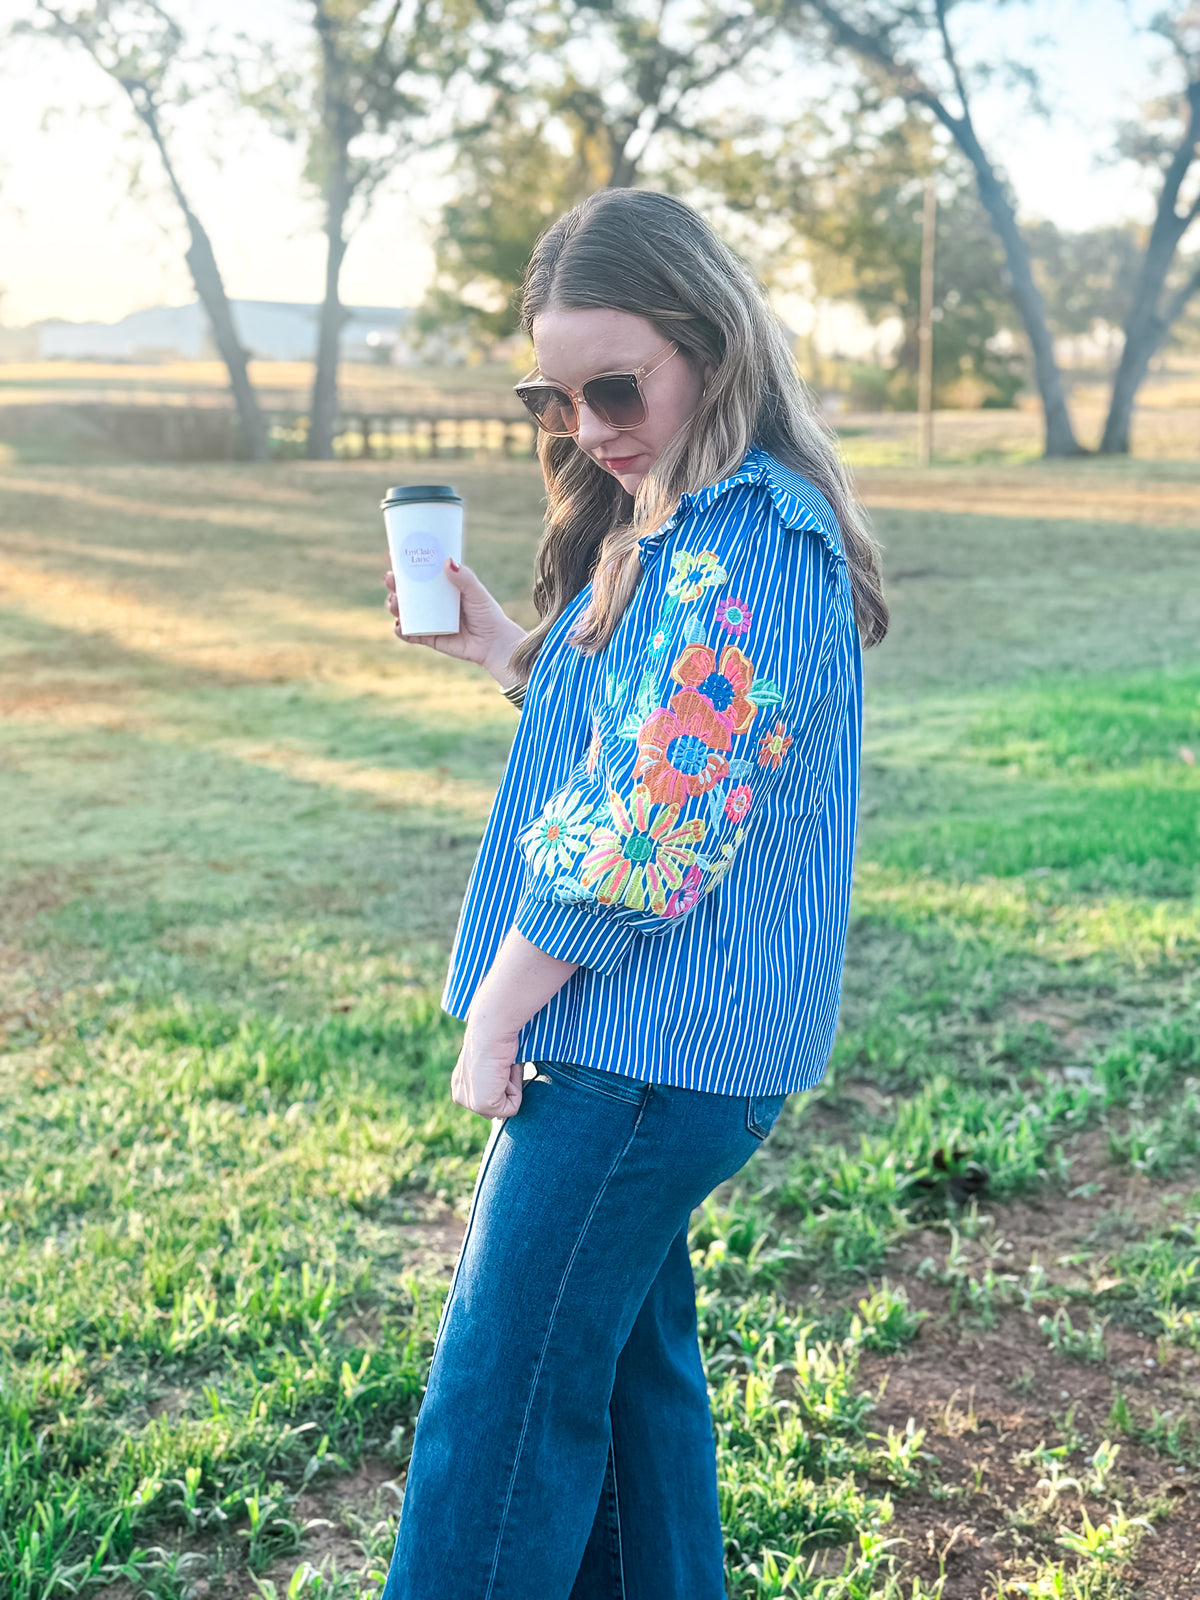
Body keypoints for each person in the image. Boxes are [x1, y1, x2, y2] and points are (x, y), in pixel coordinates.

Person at [378, 188, 888, 1600]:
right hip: (647, 1054)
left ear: (710, 349)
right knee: (620, 1385)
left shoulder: (749, 540)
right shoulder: (692, 521)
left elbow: (653, 823)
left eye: (619, 385)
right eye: (558, 397)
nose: (590, 424)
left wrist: (495, 1017)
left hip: (636, 1058)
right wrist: (510, 653)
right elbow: (662, 735)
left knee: (497, 1407)